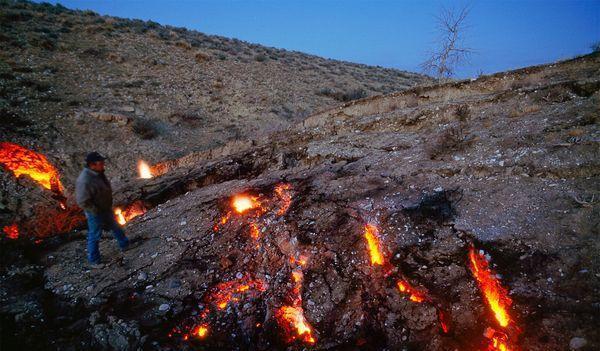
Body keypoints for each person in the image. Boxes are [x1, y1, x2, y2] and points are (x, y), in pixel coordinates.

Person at [75, 152, 129, 268]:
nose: (103, 164)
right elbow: (82, 201)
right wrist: (95, 210)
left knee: (116, 226)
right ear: (92, 165)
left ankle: (125, 244)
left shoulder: (98, 173)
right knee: (94, 234)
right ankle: (94, 260)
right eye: (100, 163)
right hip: (95, 212)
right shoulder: (84, 180)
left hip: (105, 208)